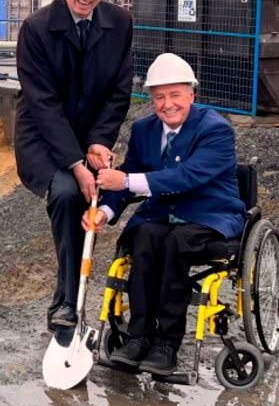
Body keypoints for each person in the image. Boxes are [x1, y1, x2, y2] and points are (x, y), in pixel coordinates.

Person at [84, 52, 243, 375]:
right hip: (161, 216)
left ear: (191, 94)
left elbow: (188, 176)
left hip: (209, 213)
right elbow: (127, 180)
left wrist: (126, 180)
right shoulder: (144, 130)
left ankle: (167, 343)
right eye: (159, 97)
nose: (167, 104)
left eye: (175, 95)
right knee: (143, 237)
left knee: (176, 243)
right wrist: (104, 211)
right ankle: (139, 336)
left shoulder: (216, 130)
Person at [14, 0, 134, 338]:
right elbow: (43, 104)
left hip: (89, 136)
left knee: (86, 196)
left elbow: (119, 90)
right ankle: (68, 300)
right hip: (43, 139)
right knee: (68, 192)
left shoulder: (119, 24)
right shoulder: (35, 30)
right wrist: (77, 164)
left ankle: (71, 297)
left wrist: (100, 141)